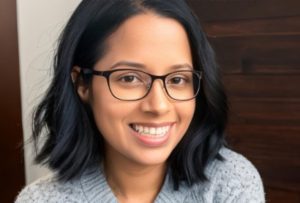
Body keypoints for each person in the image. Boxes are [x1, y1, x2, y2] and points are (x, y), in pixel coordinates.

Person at [15, 0, 265, 202]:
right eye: (130, 78)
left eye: (178, 79)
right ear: (82, 83)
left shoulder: (231, 183)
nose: (158, 106)